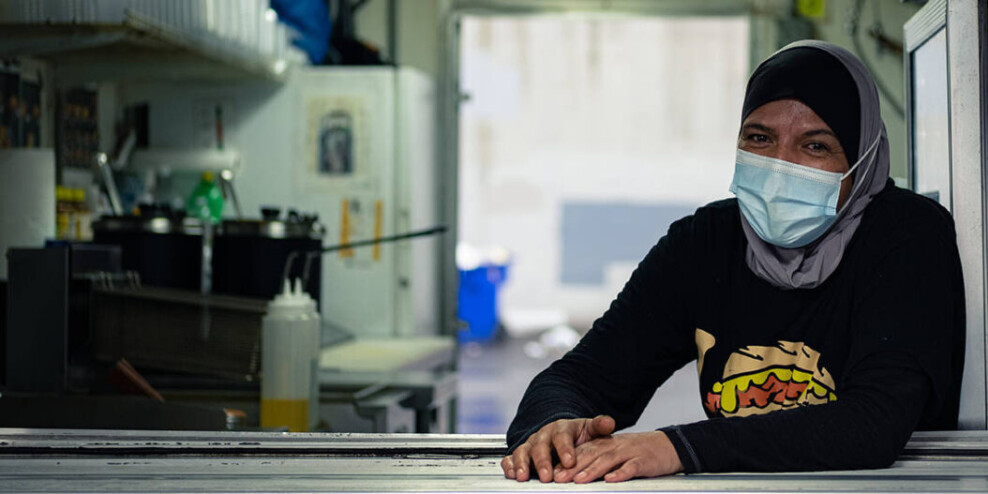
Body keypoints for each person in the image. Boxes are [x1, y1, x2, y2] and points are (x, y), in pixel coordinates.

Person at [501, 40, 965, 484]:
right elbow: (585, 374)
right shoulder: (705, 242)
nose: (781, 166)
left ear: (862, 161)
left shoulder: (908, 236)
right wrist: (554, 427)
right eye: (760, 138)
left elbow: (873, 423)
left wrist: (675, 449)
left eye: (816, 146)